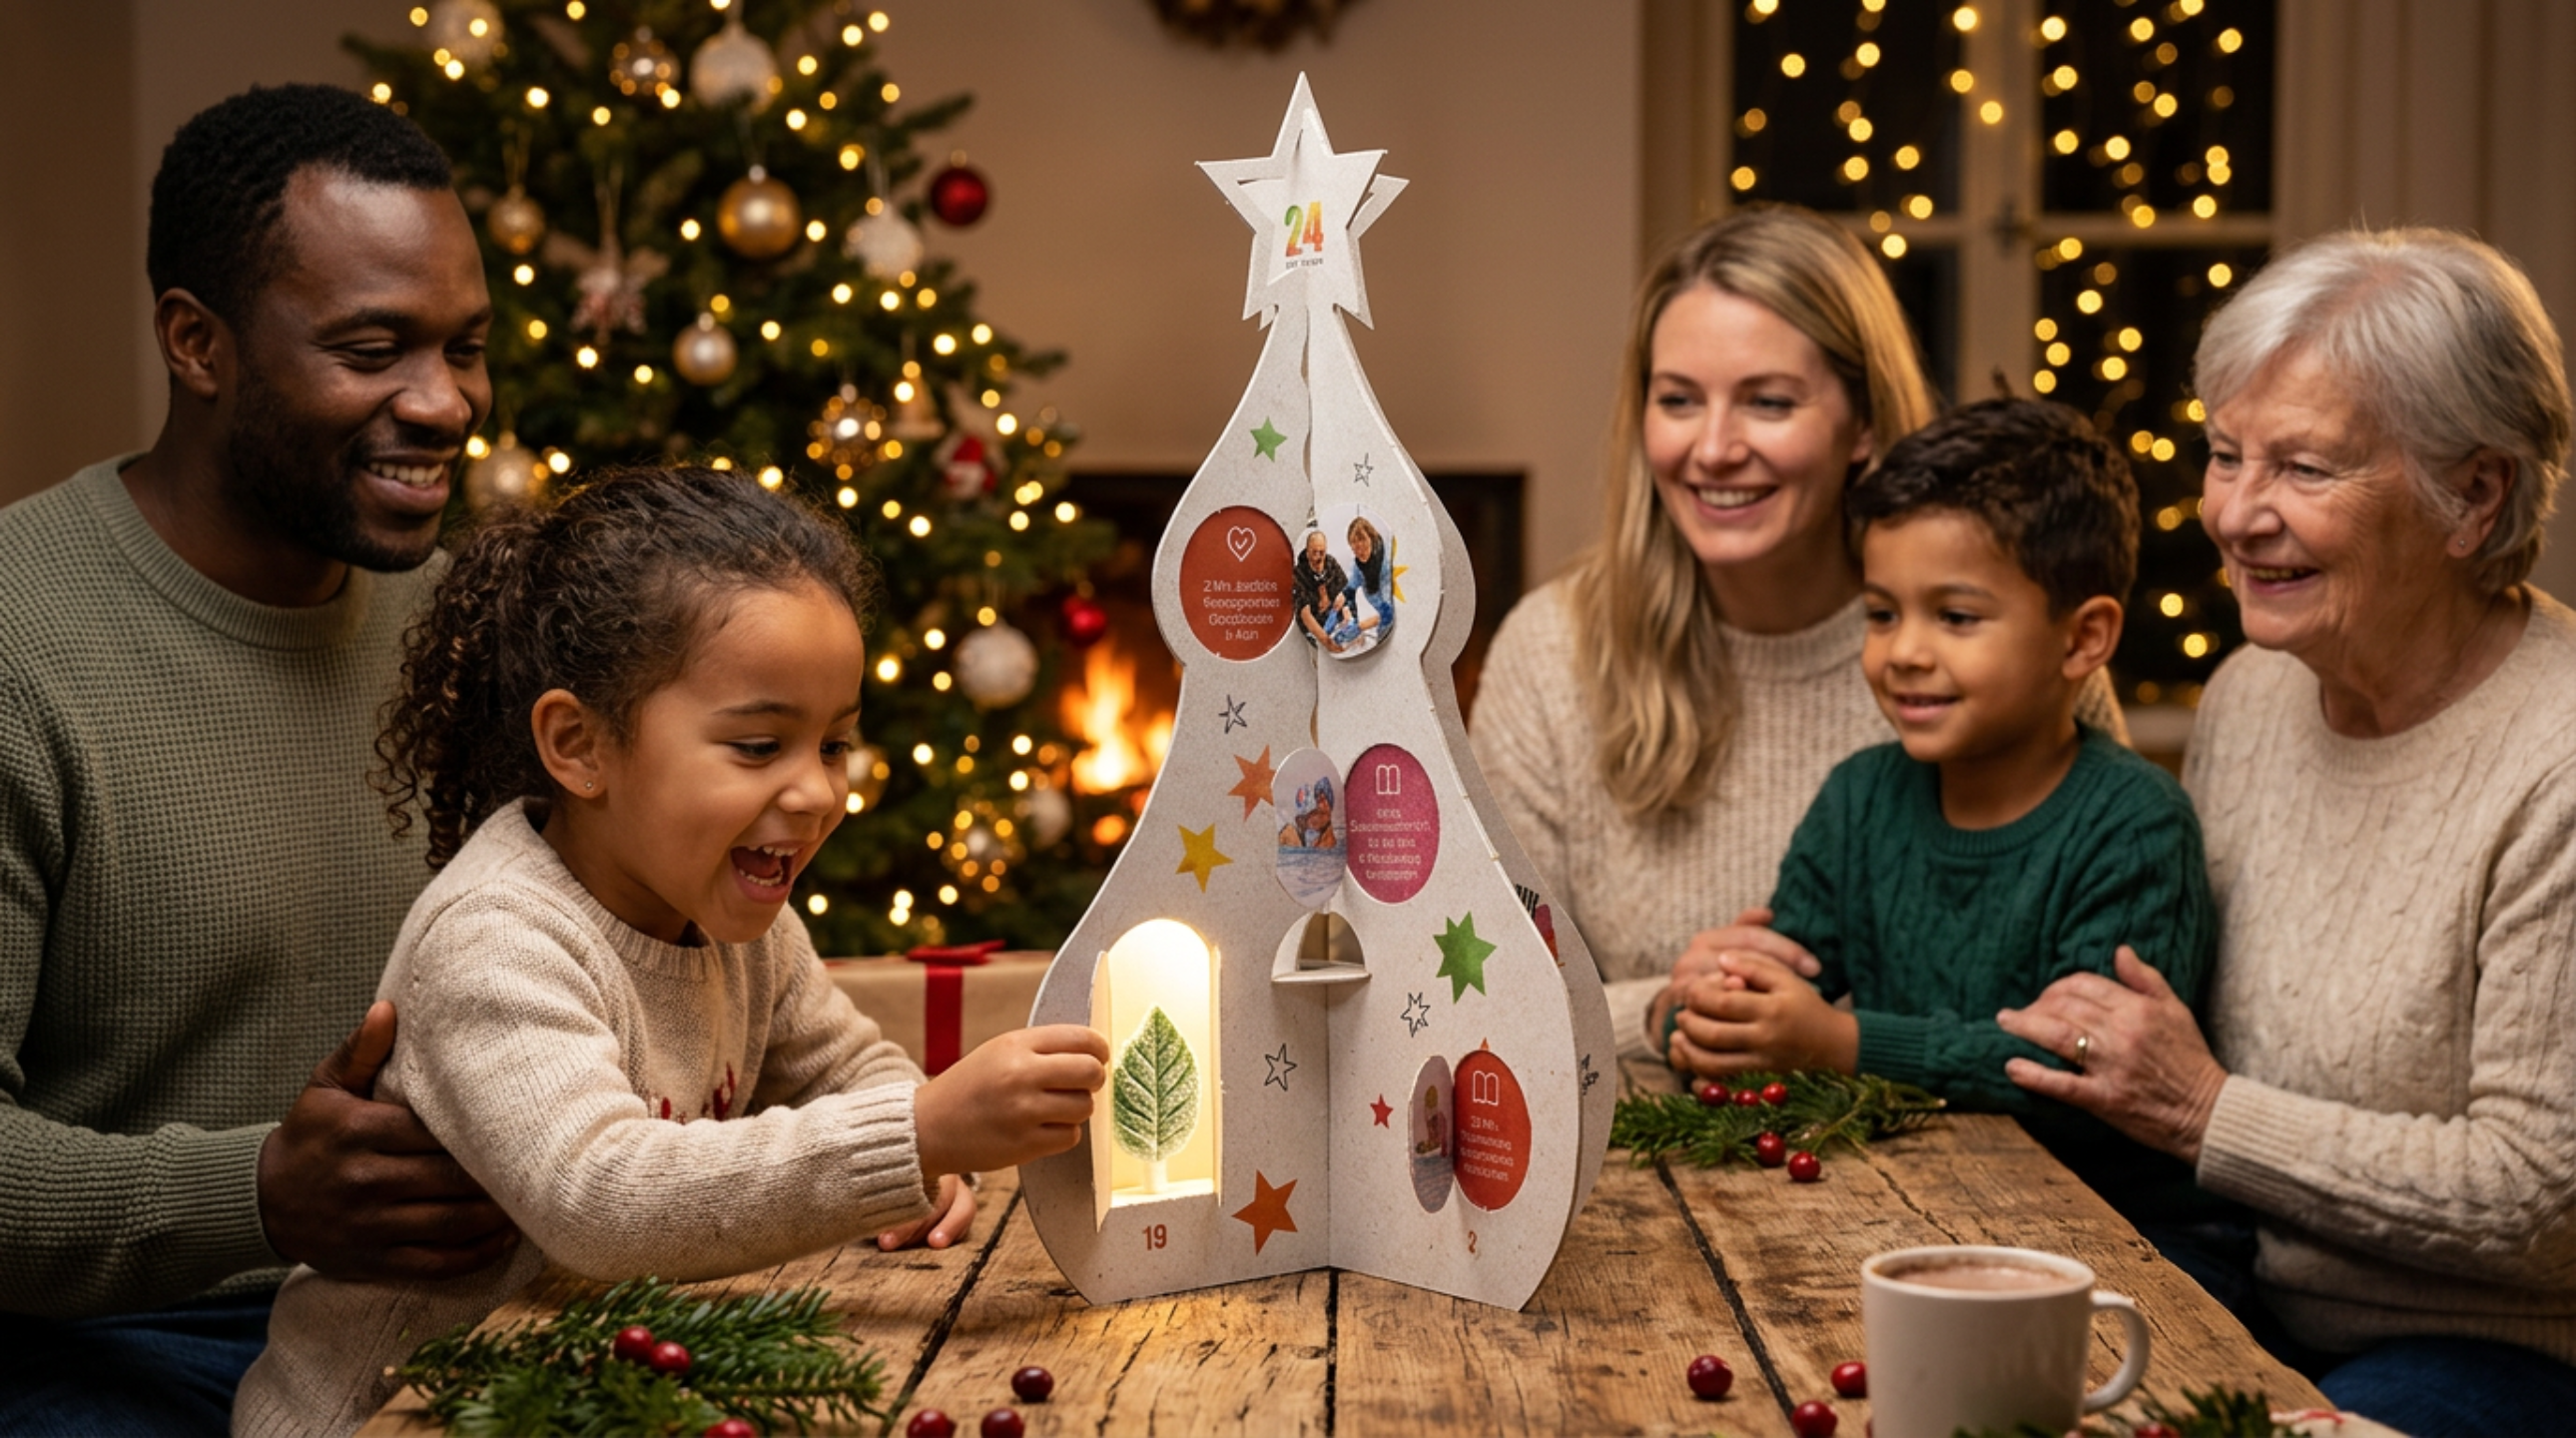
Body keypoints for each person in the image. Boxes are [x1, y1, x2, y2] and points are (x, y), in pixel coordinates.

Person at [236, 468, 1110, 1435]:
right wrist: (917, 1130)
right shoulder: (495, 939)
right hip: (395, 1411)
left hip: (607, 1391)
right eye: (757, 745)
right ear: (579, 746)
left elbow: (846, 1066)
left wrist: (914, 1145)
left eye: (833, 744)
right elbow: (600, 1197)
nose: (818, 793)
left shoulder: (742, 923)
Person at [1995, 229, 2576, 1436]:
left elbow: (2536, 1197)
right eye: (2223, 456)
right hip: (2238, 1288)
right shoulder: (2254, 698)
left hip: (2491, 1356)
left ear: (2475, 496)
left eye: (2304, 469)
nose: (2235, 515)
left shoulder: (2556, 762)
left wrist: (2209, 1113)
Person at [0, 86, 514, 1434]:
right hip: (111, 1352)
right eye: (375, 348)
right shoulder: (18, 645)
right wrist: (258, 1193)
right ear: (197, 343)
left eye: (465, 348)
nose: (446, 402)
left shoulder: (467, 636)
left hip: (459, 1319)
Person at [1470, 205, 2124, 1057]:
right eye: (1677, 401)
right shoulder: (1553, 654)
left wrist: (1843, 1033)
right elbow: (1484, 984)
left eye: (1768, 403)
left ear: (1864, 427)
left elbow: (2091, 987)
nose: (1712, 448)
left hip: (1974, 1175)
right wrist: (1668, 1009)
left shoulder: (1996, 645)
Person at [1677, 398, 2215, 1222]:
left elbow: (2083, 1075)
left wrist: (1845, 1045)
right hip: (1915, 1211)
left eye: (1956, 617)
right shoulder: (1859, 799)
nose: (1905, 652)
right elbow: (1790, 976)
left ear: (2083, 640)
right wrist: (1722, 1008)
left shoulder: (2134, 824)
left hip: (2118, 1244)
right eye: (1882, 614)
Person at [1293, 529, 1352, 651]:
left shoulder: (1331, 563)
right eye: (1314, 553)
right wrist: (1328, 643)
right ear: (1307, 552)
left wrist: (1346, 610)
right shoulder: (1298, 574)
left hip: (1335, 616)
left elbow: (1345, 590)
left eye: (1322, 552)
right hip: (1314, 625)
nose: (1319, 558)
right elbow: (1306, 616)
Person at [1342, 515, 1395, 649]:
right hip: (1379, 628)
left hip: (1398, 622)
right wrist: (1348, 612)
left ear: (1371, 539)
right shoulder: (1357, 566)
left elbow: (1388, 612)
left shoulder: (1387, 558)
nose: (1360, 554)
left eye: (1363, 548)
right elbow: (1349, 591)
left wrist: (1360, 627)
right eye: (1355, 551)